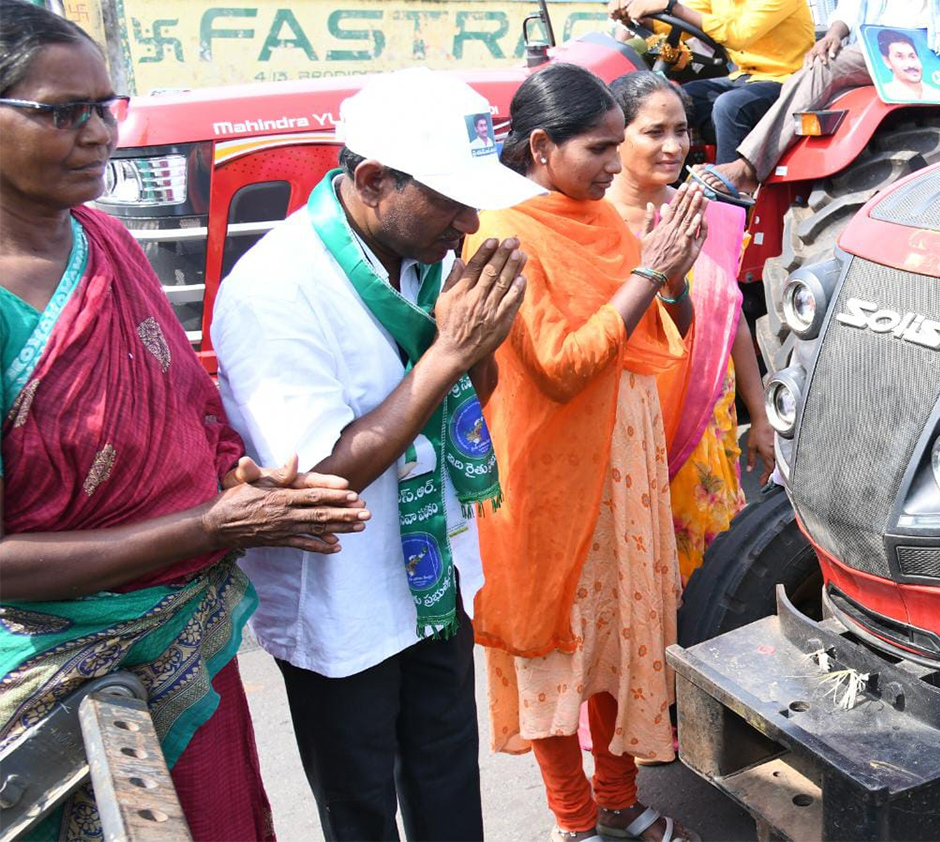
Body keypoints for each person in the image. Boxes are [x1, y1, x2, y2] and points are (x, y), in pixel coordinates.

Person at [0, 3, 371, 840]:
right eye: (63, 112)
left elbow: (186, 414)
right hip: (57, 678)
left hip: (184, 645)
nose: (99, 133)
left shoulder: (106, 241)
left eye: (106, 105)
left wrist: (246, 488)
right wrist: (207, 523)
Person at [211, 68, 541, 842]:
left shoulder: (425, 256)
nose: (467, 224)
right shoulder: (276, 287)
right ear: (371, 180)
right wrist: (446, 354)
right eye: (450, 200)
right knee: (360, 803)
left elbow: (467, 401)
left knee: (448, 773)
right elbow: (320, 480)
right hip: (342, 597)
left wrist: (476, 346)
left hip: (431, 572)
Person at [465, 62, 707, 842]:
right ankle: (575, 819)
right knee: (553, 652)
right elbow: (563, 366)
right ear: (541, 146)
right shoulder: (504, 230)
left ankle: (620, 801)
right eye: (600, 148)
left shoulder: (598, 217)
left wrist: (670, 280)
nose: (615, 163)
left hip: (623, 476)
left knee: (619, 641)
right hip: (550, 478)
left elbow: (660, 331)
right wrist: (648, 269)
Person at [606, 71, 774, 583]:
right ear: (618, 135)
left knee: (707, 581)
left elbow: (730, 317)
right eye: (654, 132)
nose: (674, 146)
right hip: (631, 428)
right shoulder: (598, 223)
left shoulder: (704, 213)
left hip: (707, 422)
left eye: (680, 130)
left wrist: (761, 416)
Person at [691, 0, 940, 202]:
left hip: (929, 47)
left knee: (823, 69)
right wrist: (834, 35)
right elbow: (851, 8)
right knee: (818, 59)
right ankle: (768, 177)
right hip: (874, 42)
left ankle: (748, 167)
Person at [610, 0, 815, 169]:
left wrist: (671, 5)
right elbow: (683, 20)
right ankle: (671, 179)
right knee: (678, 98)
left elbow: (737, 35)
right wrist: (637, 17)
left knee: (730, 106)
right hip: (744, 76)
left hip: (787, 81)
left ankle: (729, 192)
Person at [877, 29, 940, 101]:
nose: (910, 65)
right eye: (900, 57)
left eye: (912, 56)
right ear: (887, 61)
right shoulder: (884, 94)